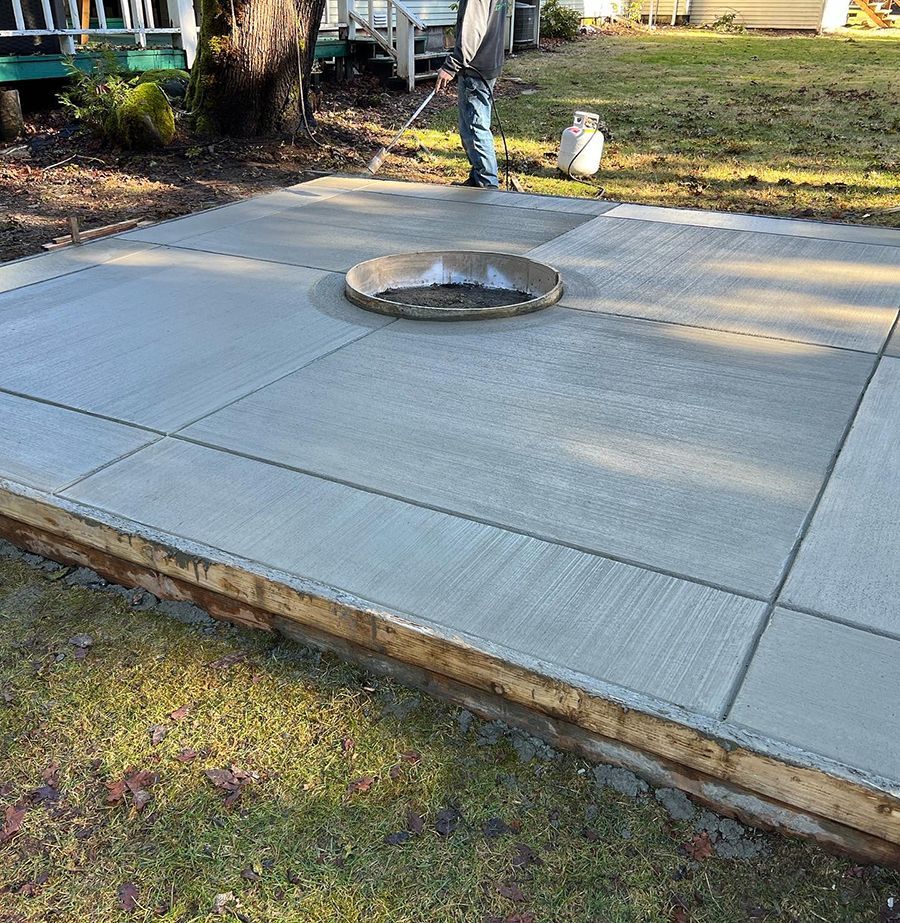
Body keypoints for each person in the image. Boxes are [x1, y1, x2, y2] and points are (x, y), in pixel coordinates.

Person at [435, 0, 507, 188]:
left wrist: (452, 65)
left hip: (476, 66)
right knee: (470, 126)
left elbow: (472, 28)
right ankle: (477, 178)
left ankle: (488, 185)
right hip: (488, 61)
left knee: (475, 127)